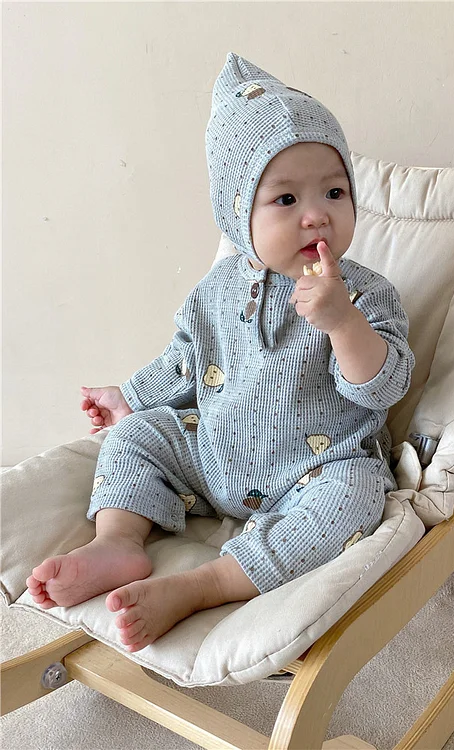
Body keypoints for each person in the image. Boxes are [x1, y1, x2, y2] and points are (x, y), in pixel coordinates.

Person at [25, 52, 414, 653]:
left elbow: (383, 385)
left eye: (335, 192)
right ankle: (117, 541)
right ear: (238, 213)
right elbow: (183, 362)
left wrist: (343, 323)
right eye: (286, 200)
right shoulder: (215, 291)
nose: (316, 215)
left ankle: (205, 584)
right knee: (137, 437)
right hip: (214, 456)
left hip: (318, 469)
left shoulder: (364, 293)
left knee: (358, 498)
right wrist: (129, 398)